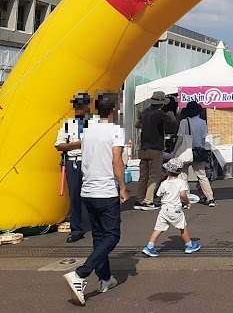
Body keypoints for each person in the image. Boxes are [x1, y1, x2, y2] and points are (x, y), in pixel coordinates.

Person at [63, 92, 128, 306]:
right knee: (112, 236)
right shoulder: (115, 130)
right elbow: (116, 161)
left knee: (99, 237)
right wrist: (123, 187)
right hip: (105, 190)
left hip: (87, 190)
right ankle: (80, 274)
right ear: (114, 110)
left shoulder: (89, 130)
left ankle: (105, 278)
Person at [141, 158, 201, 257]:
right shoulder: (181, 182)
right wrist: (188, 203)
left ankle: (149, 247)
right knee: (182, 227)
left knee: (158, 228)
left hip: (164, 209)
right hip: (175, 209)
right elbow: (183, 195)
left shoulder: (164, 183)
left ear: (167, 171)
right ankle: (189, 245)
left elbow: (159, 194)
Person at [54, 92, 92, 243]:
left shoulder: (95, 123)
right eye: (76, 105)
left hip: (91, 161)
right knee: (75, 196)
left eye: (81, 105)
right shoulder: (68, 124)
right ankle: (76, 229)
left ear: (88, 106)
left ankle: (96, 225)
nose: (77, 108)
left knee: (93, 195)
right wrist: (75, 145)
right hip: (74, 161)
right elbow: (58, 145)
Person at [135, 90, 176, 210]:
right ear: (161, 103)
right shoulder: (159, 113)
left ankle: (139, 199)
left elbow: (137, 124)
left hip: (143, 148)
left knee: (143, 176)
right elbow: (172, 121)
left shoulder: (145, 112)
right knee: (154, 175)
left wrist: (146, 126)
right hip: (155, 148)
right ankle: (148, 201)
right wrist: (170, 112)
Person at [177, 101, 215, 207]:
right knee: (202, 176)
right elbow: (203, 140)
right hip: (198, 151)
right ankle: (210, 198)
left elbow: (180, 139)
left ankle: (185, 200)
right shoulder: (203, 122)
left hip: (185, 152)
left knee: (183, 177)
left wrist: (174, 153)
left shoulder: (184, 122)